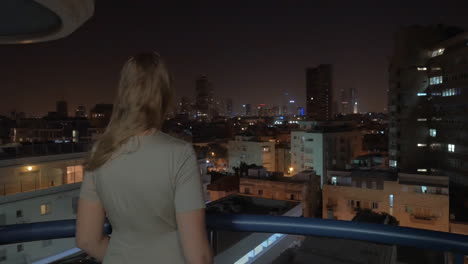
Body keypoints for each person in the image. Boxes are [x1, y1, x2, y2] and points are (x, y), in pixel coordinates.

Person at [76, 52, 213, 264]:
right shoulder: (179, 153)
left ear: (122, 93)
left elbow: (87, 240)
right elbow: (199, 256)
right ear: (165, 96)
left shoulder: (100, 153)